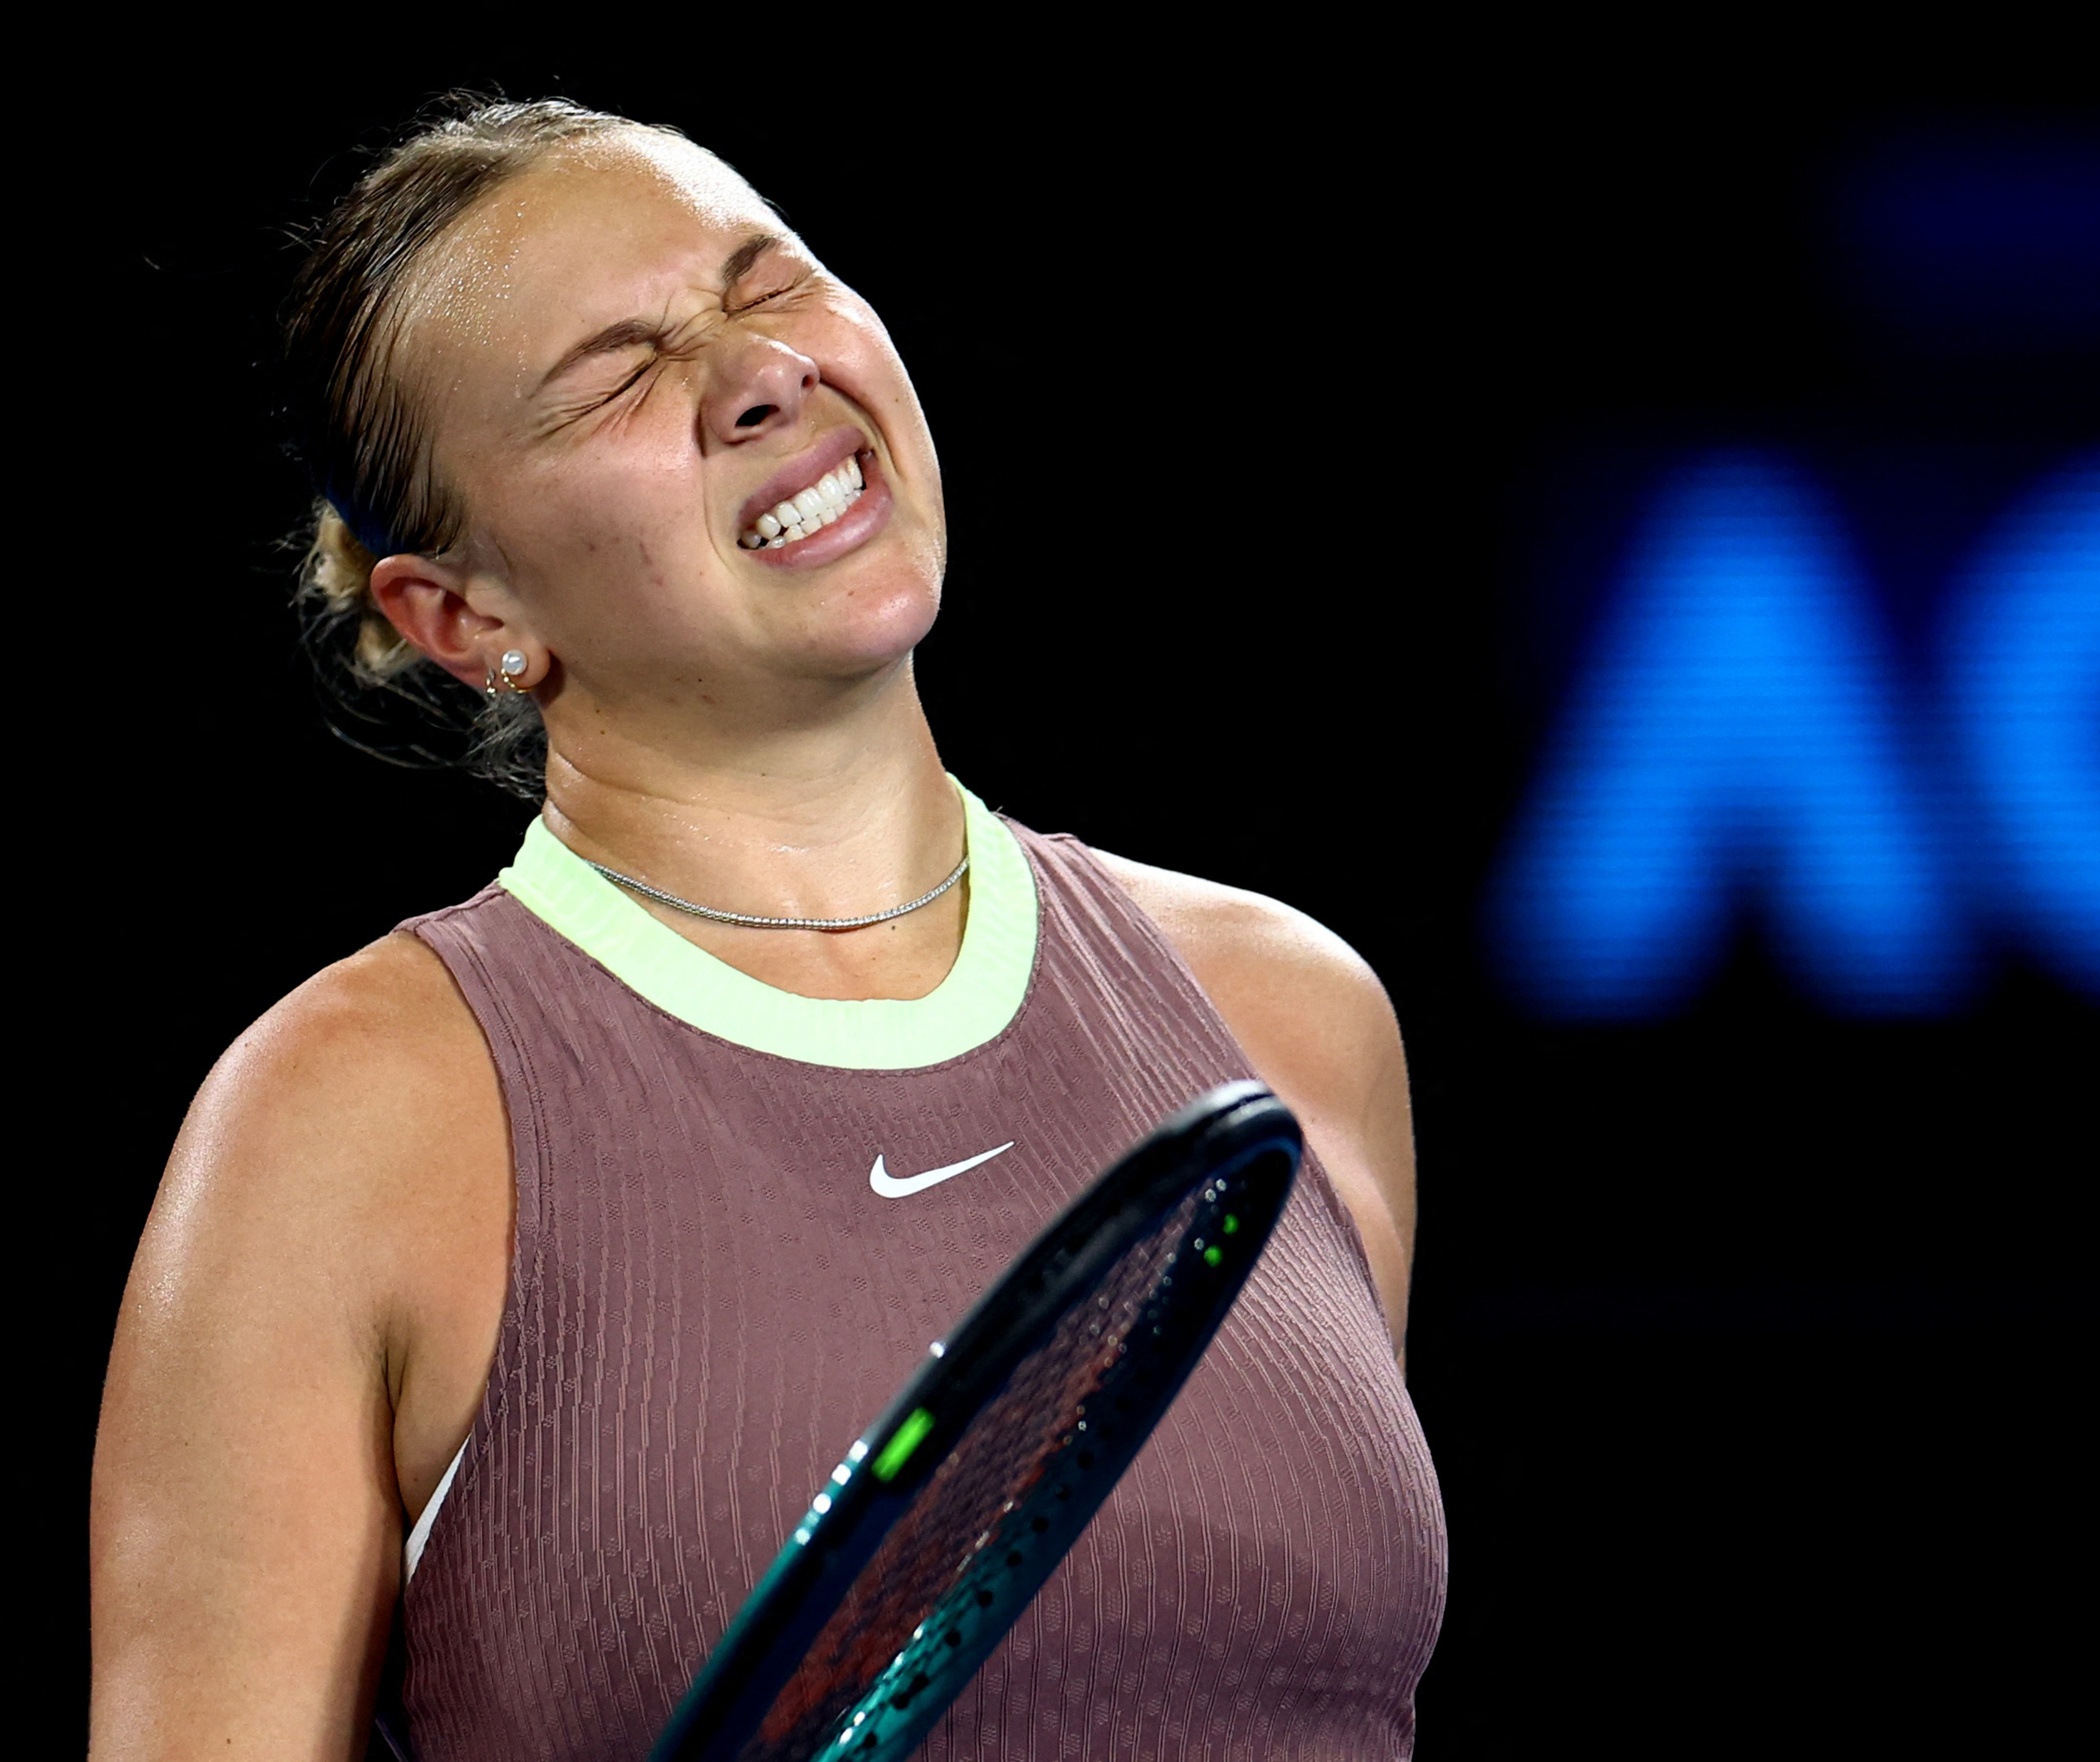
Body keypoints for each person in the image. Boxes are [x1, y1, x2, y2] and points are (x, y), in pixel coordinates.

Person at [91, 97, 1443, 1761]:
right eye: (614, 375)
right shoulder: (338, 1123)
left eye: (768, 279)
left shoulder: (1288, 1013)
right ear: (466, 615)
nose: (758, 371)